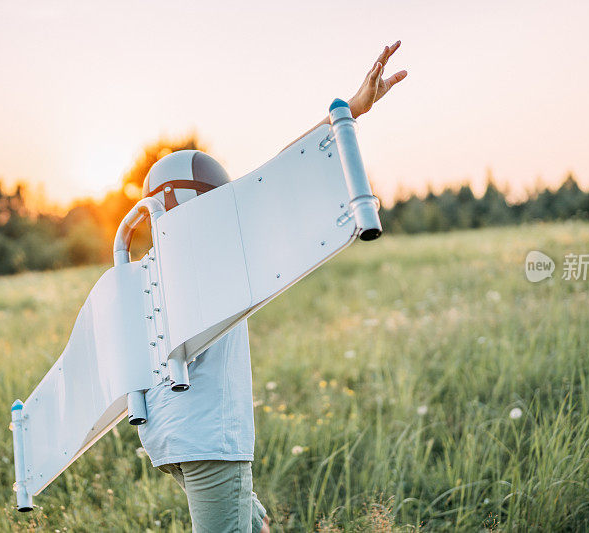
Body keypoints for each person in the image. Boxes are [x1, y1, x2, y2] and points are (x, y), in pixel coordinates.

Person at [136, 41, 407, 533]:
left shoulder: (152, 266)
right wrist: (345, 115)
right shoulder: (213, 250)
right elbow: (280, 176)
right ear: (207, 199)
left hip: (170, 438)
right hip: (211, 441)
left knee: (252, 522)